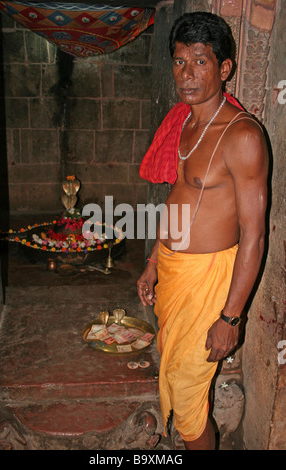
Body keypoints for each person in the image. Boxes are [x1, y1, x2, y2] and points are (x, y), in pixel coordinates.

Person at [137, 12, 268, 450]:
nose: (186, 74)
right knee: (175, 381)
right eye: (178, 62)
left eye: (199, 61)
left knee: (191, 404)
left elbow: (254, 234)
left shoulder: (242, 136)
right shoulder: (184, 122)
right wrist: (154, 263)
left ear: (224, 68)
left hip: (208, 280)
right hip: (175, 274)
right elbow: (178, 200)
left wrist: (231, 318)